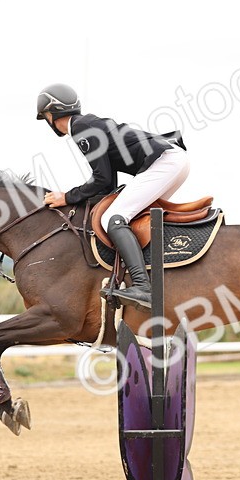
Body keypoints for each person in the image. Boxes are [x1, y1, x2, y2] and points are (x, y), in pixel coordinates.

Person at [36, 83, 190, 310]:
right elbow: (109, 182)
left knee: (113, 218)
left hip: (164, 163)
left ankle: (143, 287)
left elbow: (103, 179)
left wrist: (67, 197)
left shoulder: (80, 128)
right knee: (130, 216)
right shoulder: (86, 123)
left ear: (50, 115)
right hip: (170, 160)